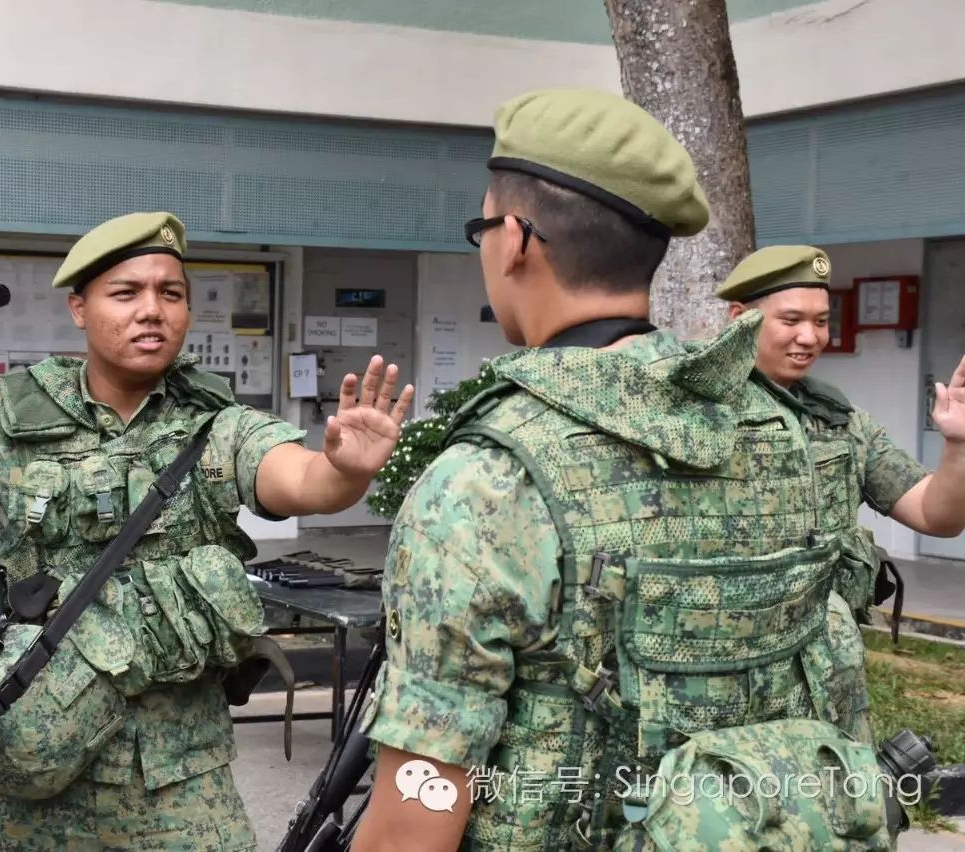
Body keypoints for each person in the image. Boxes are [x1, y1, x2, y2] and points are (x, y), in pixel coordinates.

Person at [351, 89, 902, 851]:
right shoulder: (782, 432)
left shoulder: (486, 482)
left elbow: (414, 820)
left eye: (483, 228)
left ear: (515, 240)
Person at [0, 211, 414, 851]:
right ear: (79, 309)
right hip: (25, 775)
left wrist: (343, 470)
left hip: (175, 782)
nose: (152, 311)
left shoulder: (217, 426)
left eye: (171, 294)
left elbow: (302, 479)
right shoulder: (7, 422)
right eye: (126, 293)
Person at [717, 245, 965, 741]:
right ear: (739, 319)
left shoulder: (842, 423)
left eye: (821, 321)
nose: (808, 337)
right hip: (719, 686)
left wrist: (958, 446)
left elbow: (937, 516)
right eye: (789, 320)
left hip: (828, 684)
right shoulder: (690, 420)